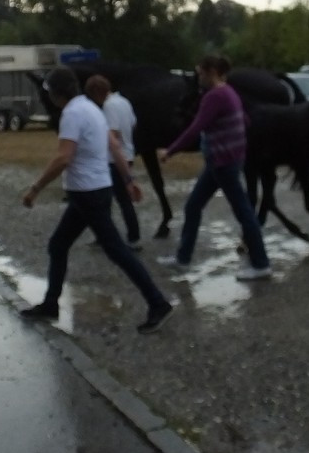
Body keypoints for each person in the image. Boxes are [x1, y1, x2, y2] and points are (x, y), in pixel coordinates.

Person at [20, 66, 174, 334]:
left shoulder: (72, 114)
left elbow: (63, 157)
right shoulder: (92, 109)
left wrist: (36, 188)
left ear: (57, 94)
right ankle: (50, 304)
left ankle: (158, 302)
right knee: (58, 245)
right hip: (93, 191)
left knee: (117, 251)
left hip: (88, 193)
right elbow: (114, 147)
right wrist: (128, 180)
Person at [158, 55, 271, 281]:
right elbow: (245, 120)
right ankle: (183, 259)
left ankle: (261, 264)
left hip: (223, 162)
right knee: (193, 207)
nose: (198, 77)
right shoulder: (229, 92)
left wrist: (170, 151)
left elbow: (195, 127)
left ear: (211, 72)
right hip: (221, 161)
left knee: (244, 213)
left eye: (200, 73)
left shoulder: (216, 96)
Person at [84, 75, 141, 249]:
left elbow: (113, 134)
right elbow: (133, 124)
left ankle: (132, 238)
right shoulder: (124, 101)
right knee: (114, 199)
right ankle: (107, 234)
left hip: (114, 159)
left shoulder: (109, 106)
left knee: (119, 200)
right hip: (128, 155)